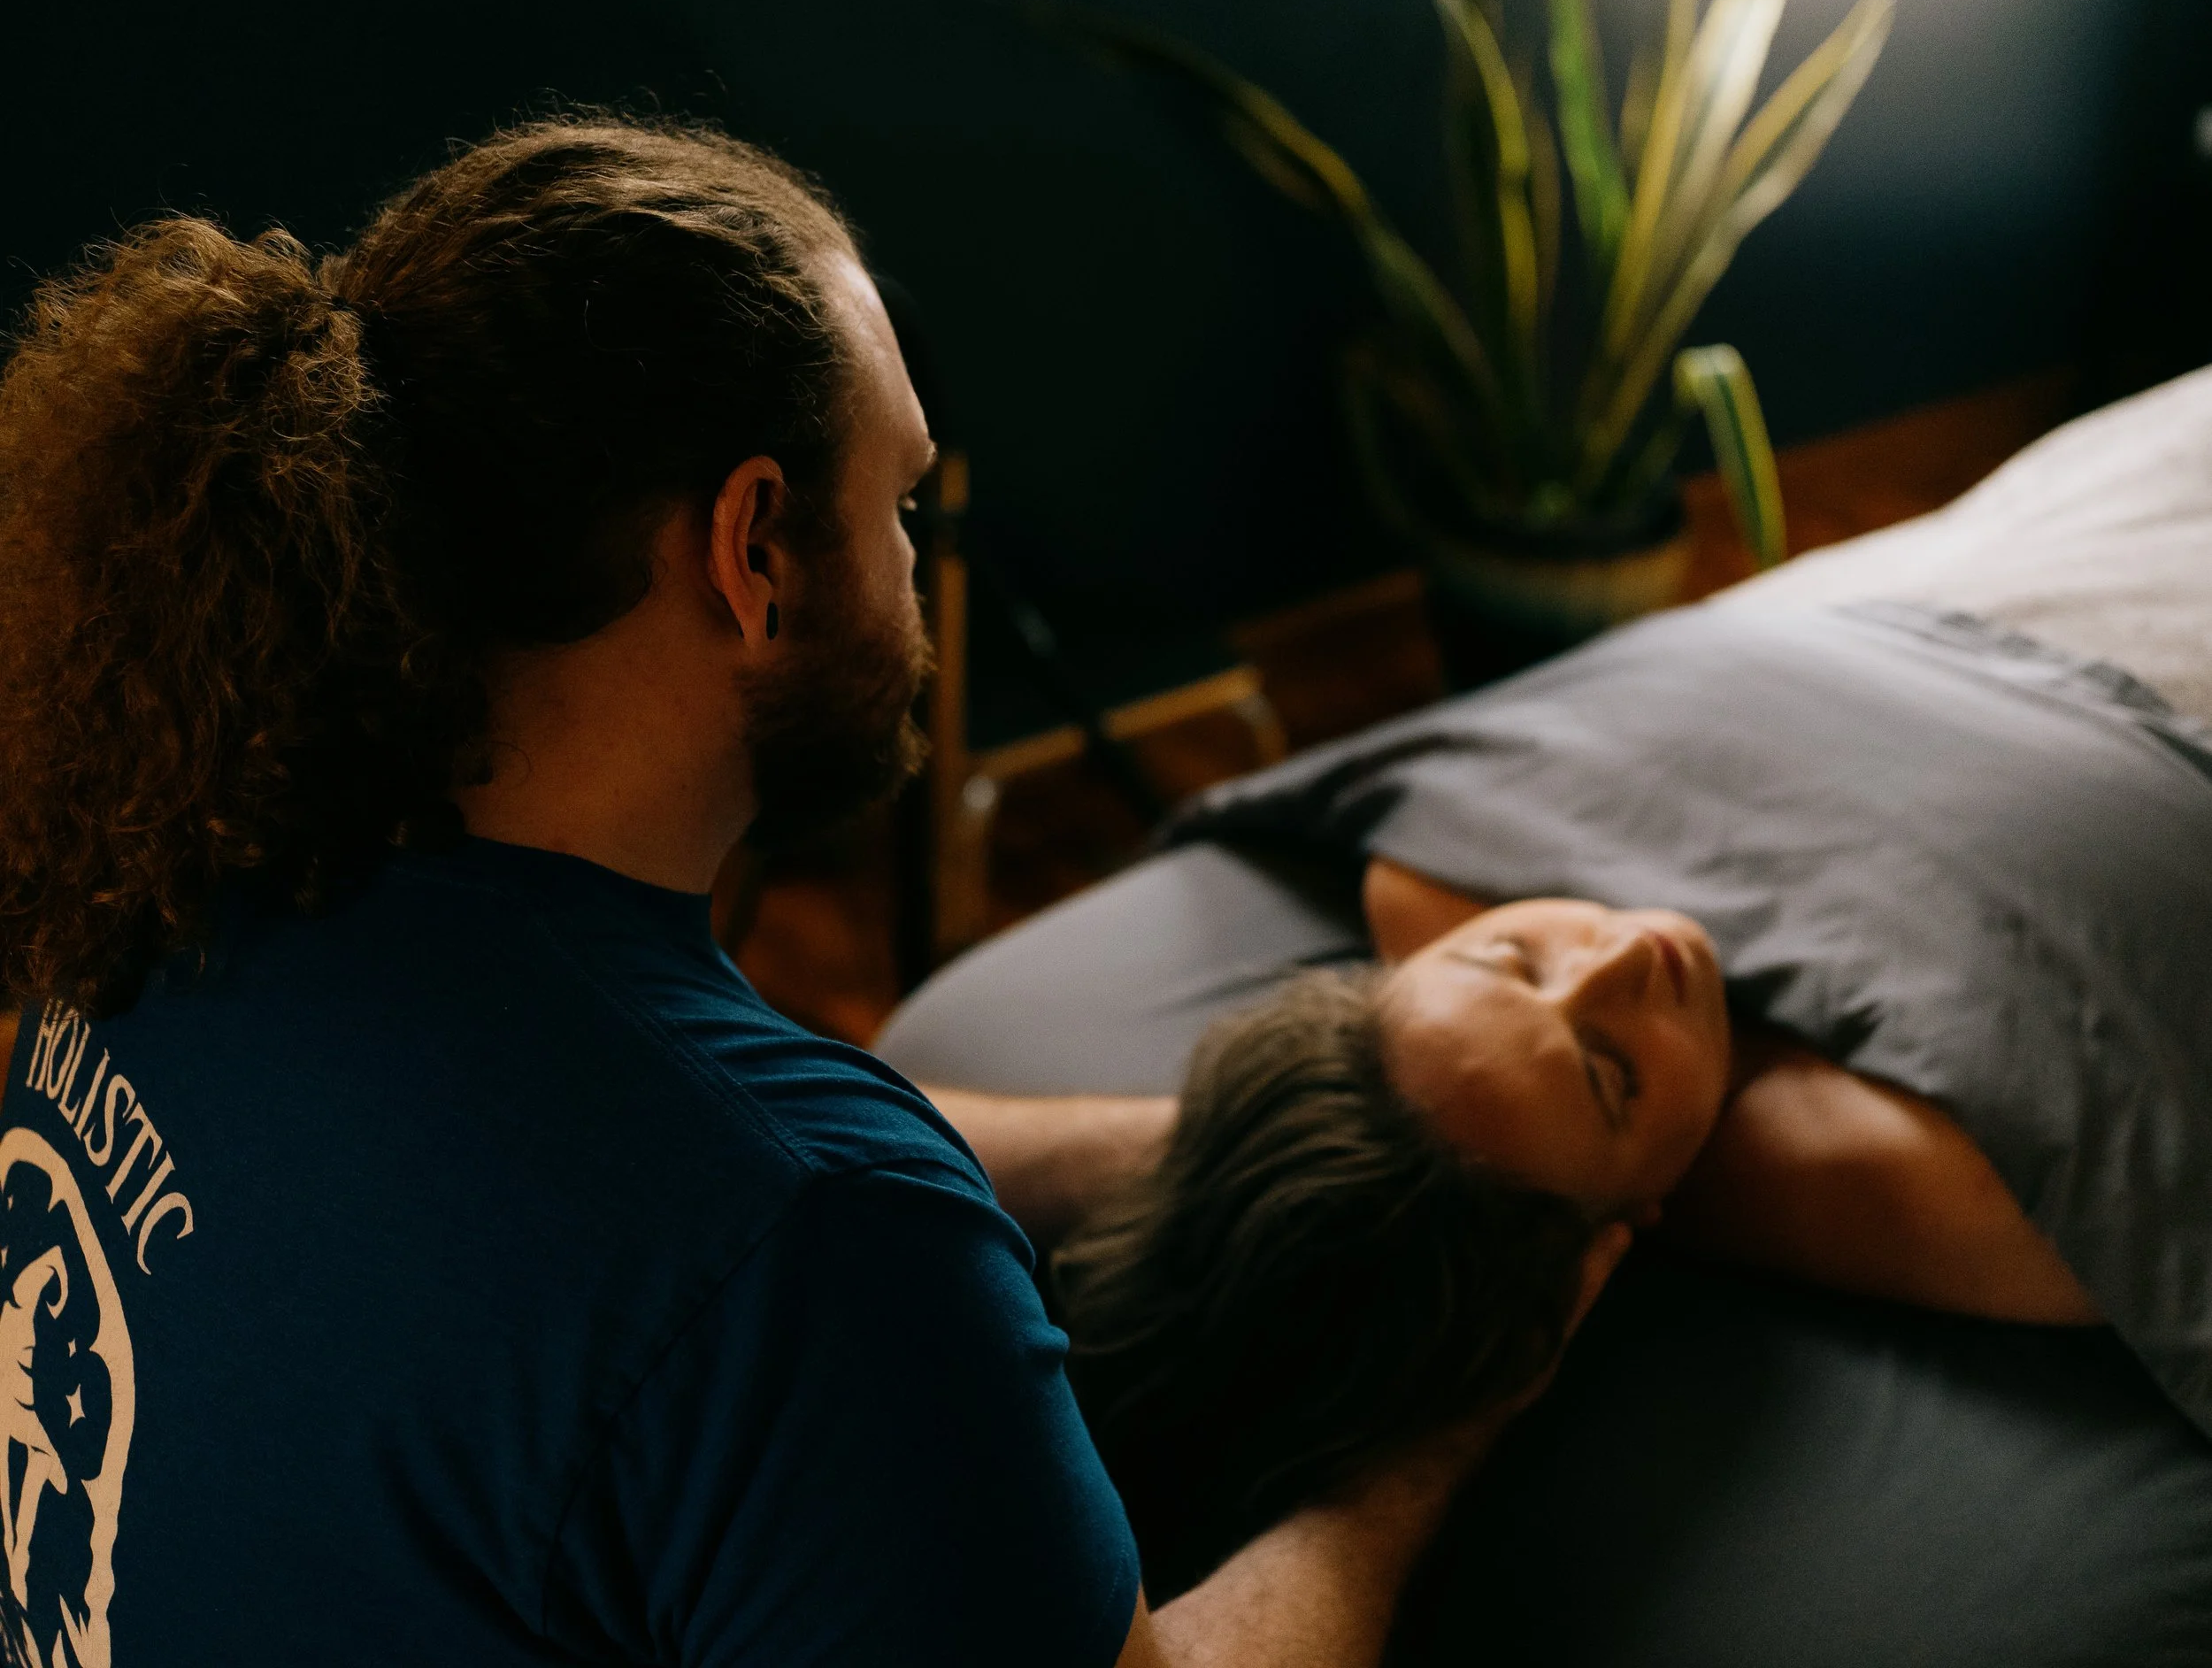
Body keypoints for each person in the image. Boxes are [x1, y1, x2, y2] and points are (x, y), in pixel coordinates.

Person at [0, 115, 1616, 1666]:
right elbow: (742, 1225)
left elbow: (641, 1225)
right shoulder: (812, 1237)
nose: (915, 565)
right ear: (755, 549)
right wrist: (1426, 1445)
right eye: (900, 504)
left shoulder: (196, 859)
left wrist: (1203, 1136)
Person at [1028, 366, 2212, 1596]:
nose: (1624, 955)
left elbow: (1407, 882)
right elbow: (2039, 1195)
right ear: (1615, 1240)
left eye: (1515, 955)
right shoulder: (1946, 1204)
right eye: (1609, 1074)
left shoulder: (1418, 913)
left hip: (1909, 624)